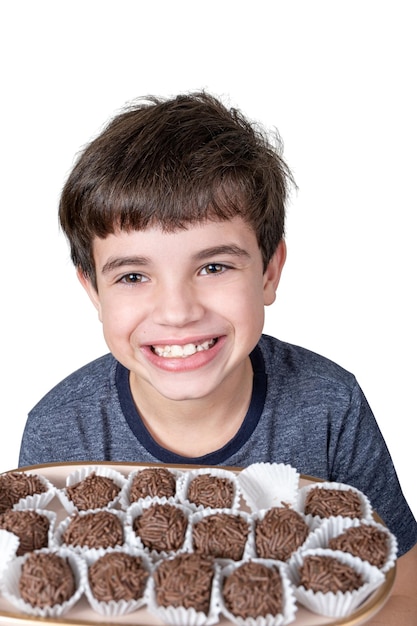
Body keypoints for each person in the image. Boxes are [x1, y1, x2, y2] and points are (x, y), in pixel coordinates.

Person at [19, 92, 417, 622]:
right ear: (93, 291)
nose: (178, 311)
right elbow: (36, 597)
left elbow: (405, 585)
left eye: (214, 267)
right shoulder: (61, 429)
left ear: (269, 272)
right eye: (133, 276)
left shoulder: (329, 405)